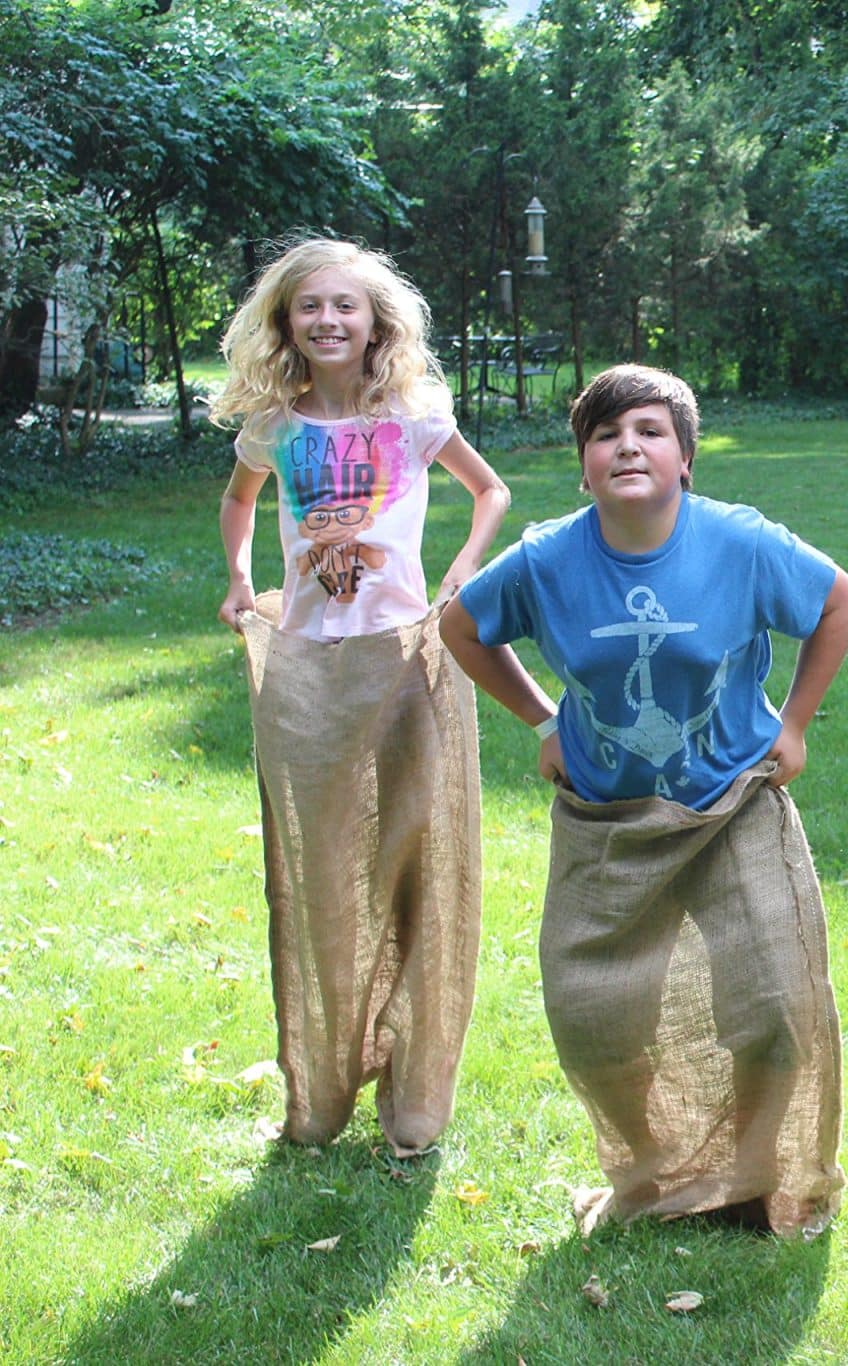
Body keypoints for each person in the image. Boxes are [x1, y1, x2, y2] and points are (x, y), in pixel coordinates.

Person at [441, 364, 848, 1236]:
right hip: (608, 820)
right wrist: (544, 720)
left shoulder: (740, 545)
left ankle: (760, 1179)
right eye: (605, 435)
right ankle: (658, 1171)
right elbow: (461, 626)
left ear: (685, 459)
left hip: (729, 806)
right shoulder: (547, 561)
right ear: (584, 466)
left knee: (774, 1005)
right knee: (595, 1018)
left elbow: (837, 601)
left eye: (649, 431)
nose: (627, 446)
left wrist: (794, 723)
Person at [212, 238, 509, 1155]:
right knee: (321, 869)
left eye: (346, 304)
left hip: (405, 662)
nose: (328, 319)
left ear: (377, 321)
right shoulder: (274, 426)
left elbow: (491, 491)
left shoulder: (413, 416)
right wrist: (239, 577)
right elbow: (239, 502)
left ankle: (416, 1088)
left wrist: (463, 569)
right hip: (308, 668)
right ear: (285, 322)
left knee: (419, 861)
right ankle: (323, 1079)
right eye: (310, 306)